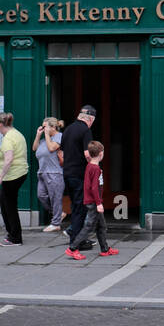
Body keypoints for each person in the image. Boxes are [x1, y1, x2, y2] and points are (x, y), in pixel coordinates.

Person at [65, 141, 119, 260]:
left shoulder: (90, 166)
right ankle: (72, 248)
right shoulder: (95, 169)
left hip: (91, 201)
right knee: (89, 226)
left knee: (101, 226)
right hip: (94, 203)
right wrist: (99, 203)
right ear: (101, 154)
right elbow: (94, 187)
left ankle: (105, 249)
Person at [60, 105, 96, 246]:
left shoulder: (68, 129)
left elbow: (61, 154)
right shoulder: (85, 130)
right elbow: (87, 154)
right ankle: (77, 241)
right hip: (79, 175)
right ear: (90, 119)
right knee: (80, 209)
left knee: (75, 207)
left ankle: (77, 238)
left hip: (67, 174)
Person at [0, 112, 28, 246]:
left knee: (9, 206)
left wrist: (0, 177)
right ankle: (12, 233)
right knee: (5, 203)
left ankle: (15, 237)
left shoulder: (8, 138)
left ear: (0, 125)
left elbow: (9, 159)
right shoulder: (17, 134)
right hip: (20, 173)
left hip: (12, 175)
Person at [34, 116, 64, 232]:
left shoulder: (59, 137)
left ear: (52, 127)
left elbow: (52, 148)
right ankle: (59, 214)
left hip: (55, 173)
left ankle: (56, 223)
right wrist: (38, 135)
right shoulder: (43, 140)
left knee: (55, 198)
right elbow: (34, 148)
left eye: (45, 126)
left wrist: (46, 135)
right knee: (41, 195)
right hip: (42, 172)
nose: (43, 128)